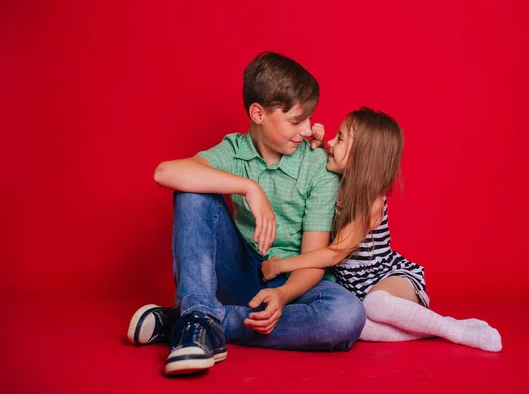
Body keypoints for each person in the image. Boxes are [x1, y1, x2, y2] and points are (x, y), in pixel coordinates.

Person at [127, 52, 366, 375]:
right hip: (241, 272)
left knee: (346, 316)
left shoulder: (318, 167)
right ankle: (199, 316)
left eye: (309, 118)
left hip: (294, 281)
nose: (307, 130)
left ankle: (197, 320)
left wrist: (282, 295)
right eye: (296, 121)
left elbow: (313, 259)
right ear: (258, 113)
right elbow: (164, 173)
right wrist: (249, 188)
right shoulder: (234, 151)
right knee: (192, 190)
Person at [261, 107, 502, 352]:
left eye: (341, 138)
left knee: (376, 305)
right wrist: (320, 144)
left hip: (387, 277)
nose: (333, 141)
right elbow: (327, 162)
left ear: (362, 157)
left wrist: (282, 265)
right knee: (357, 326)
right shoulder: (335, 183)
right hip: (354, 288)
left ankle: (453, 330)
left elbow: (335, 253)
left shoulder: (371, 202)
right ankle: (422, 331)